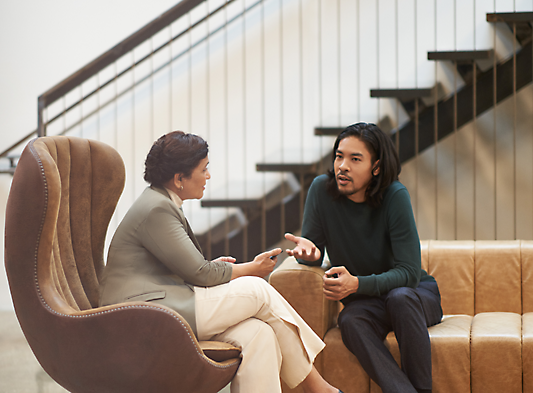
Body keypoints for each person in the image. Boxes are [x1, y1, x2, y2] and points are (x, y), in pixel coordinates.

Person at [99, 131, 342, 393]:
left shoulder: (160, 203)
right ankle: (320, 388)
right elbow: (200, 273)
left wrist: (222, 269)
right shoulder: (157, 209)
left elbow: (188, 268)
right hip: (145, 315)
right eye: (203, 169)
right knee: (258, 289)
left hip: (167, 303)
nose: (208, 176)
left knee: (259, 335)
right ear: (179, 178)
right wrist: (252, 269)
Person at [285, 123, 443, 393]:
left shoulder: (395, 195)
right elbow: (314, 250)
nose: (342, 166)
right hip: (369, 305)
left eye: (355, 159)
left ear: (377, 167)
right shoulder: (321, 191)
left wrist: (357, 284)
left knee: (400, 298)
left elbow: (409, 273)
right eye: (339, 156)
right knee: (350, 321)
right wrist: (309, 255)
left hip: (415, 297)